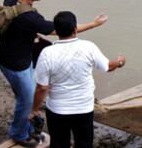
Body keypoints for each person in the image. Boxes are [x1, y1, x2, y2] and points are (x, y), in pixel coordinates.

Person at [0, 0, 108, 147]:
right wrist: (94, 24)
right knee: (26, 99)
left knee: (28, 95)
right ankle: (19, 134)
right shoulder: (30, 18)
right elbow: (61, 31)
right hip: (16, 65)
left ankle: (25, 127)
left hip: (8, 55)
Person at [31, 11, 126, 148]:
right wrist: (120, 62)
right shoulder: (88, 47)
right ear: (75, 29)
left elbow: (42, 88)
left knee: (59, 144)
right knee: (84, 144)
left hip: (58, 110)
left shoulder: (47, 53)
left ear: (56, 31)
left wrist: (34, 109)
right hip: (83, 109)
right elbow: (108, 67)